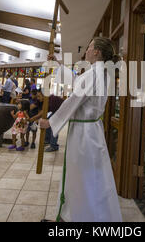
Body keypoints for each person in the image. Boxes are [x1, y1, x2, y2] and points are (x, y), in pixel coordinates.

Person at [39, 37, 122, 222]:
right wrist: (59, 65)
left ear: (97, 52)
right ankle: (70, 215)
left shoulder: (95, 74)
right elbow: (77, 82)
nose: (87, 49)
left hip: (85, 135)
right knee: (83, 175)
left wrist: (52, 122)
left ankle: (77, 217)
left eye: (90, 46)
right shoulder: (98, 72)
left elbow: (74, 99)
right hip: (89, 130)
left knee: (81, 177)